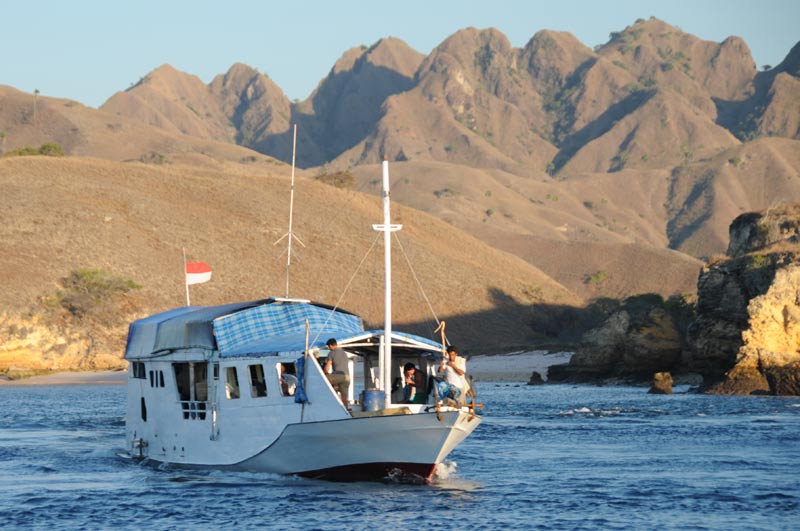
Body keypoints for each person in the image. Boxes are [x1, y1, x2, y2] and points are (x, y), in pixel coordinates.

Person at [324, 338, 350, 405]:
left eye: (328, 347)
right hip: (347, 377)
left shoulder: (331, 353)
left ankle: (332, 404)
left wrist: (326, 373)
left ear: (331, 345)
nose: (329, 348)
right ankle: (346, 411)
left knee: (324, 379)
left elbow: (327, 367)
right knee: (344, 397)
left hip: (338, 376)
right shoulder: (344, 352)